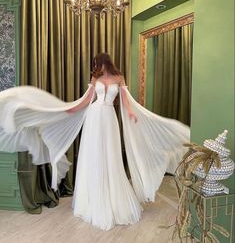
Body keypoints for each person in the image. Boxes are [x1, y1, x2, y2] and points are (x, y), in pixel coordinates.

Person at [0, 53, 190, 230]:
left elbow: (125, 100)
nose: (95, 66)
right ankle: (93, 197)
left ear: (102, 62)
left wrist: (131, 112)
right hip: (94, 118)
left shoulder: (119, 78)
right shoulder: (95, 79)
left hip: (109, 118)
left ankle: (112, 198)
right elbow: (87, 100)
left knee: (111, 156)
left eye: (96, 63)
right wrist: (69, 109)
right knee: (94, 155)